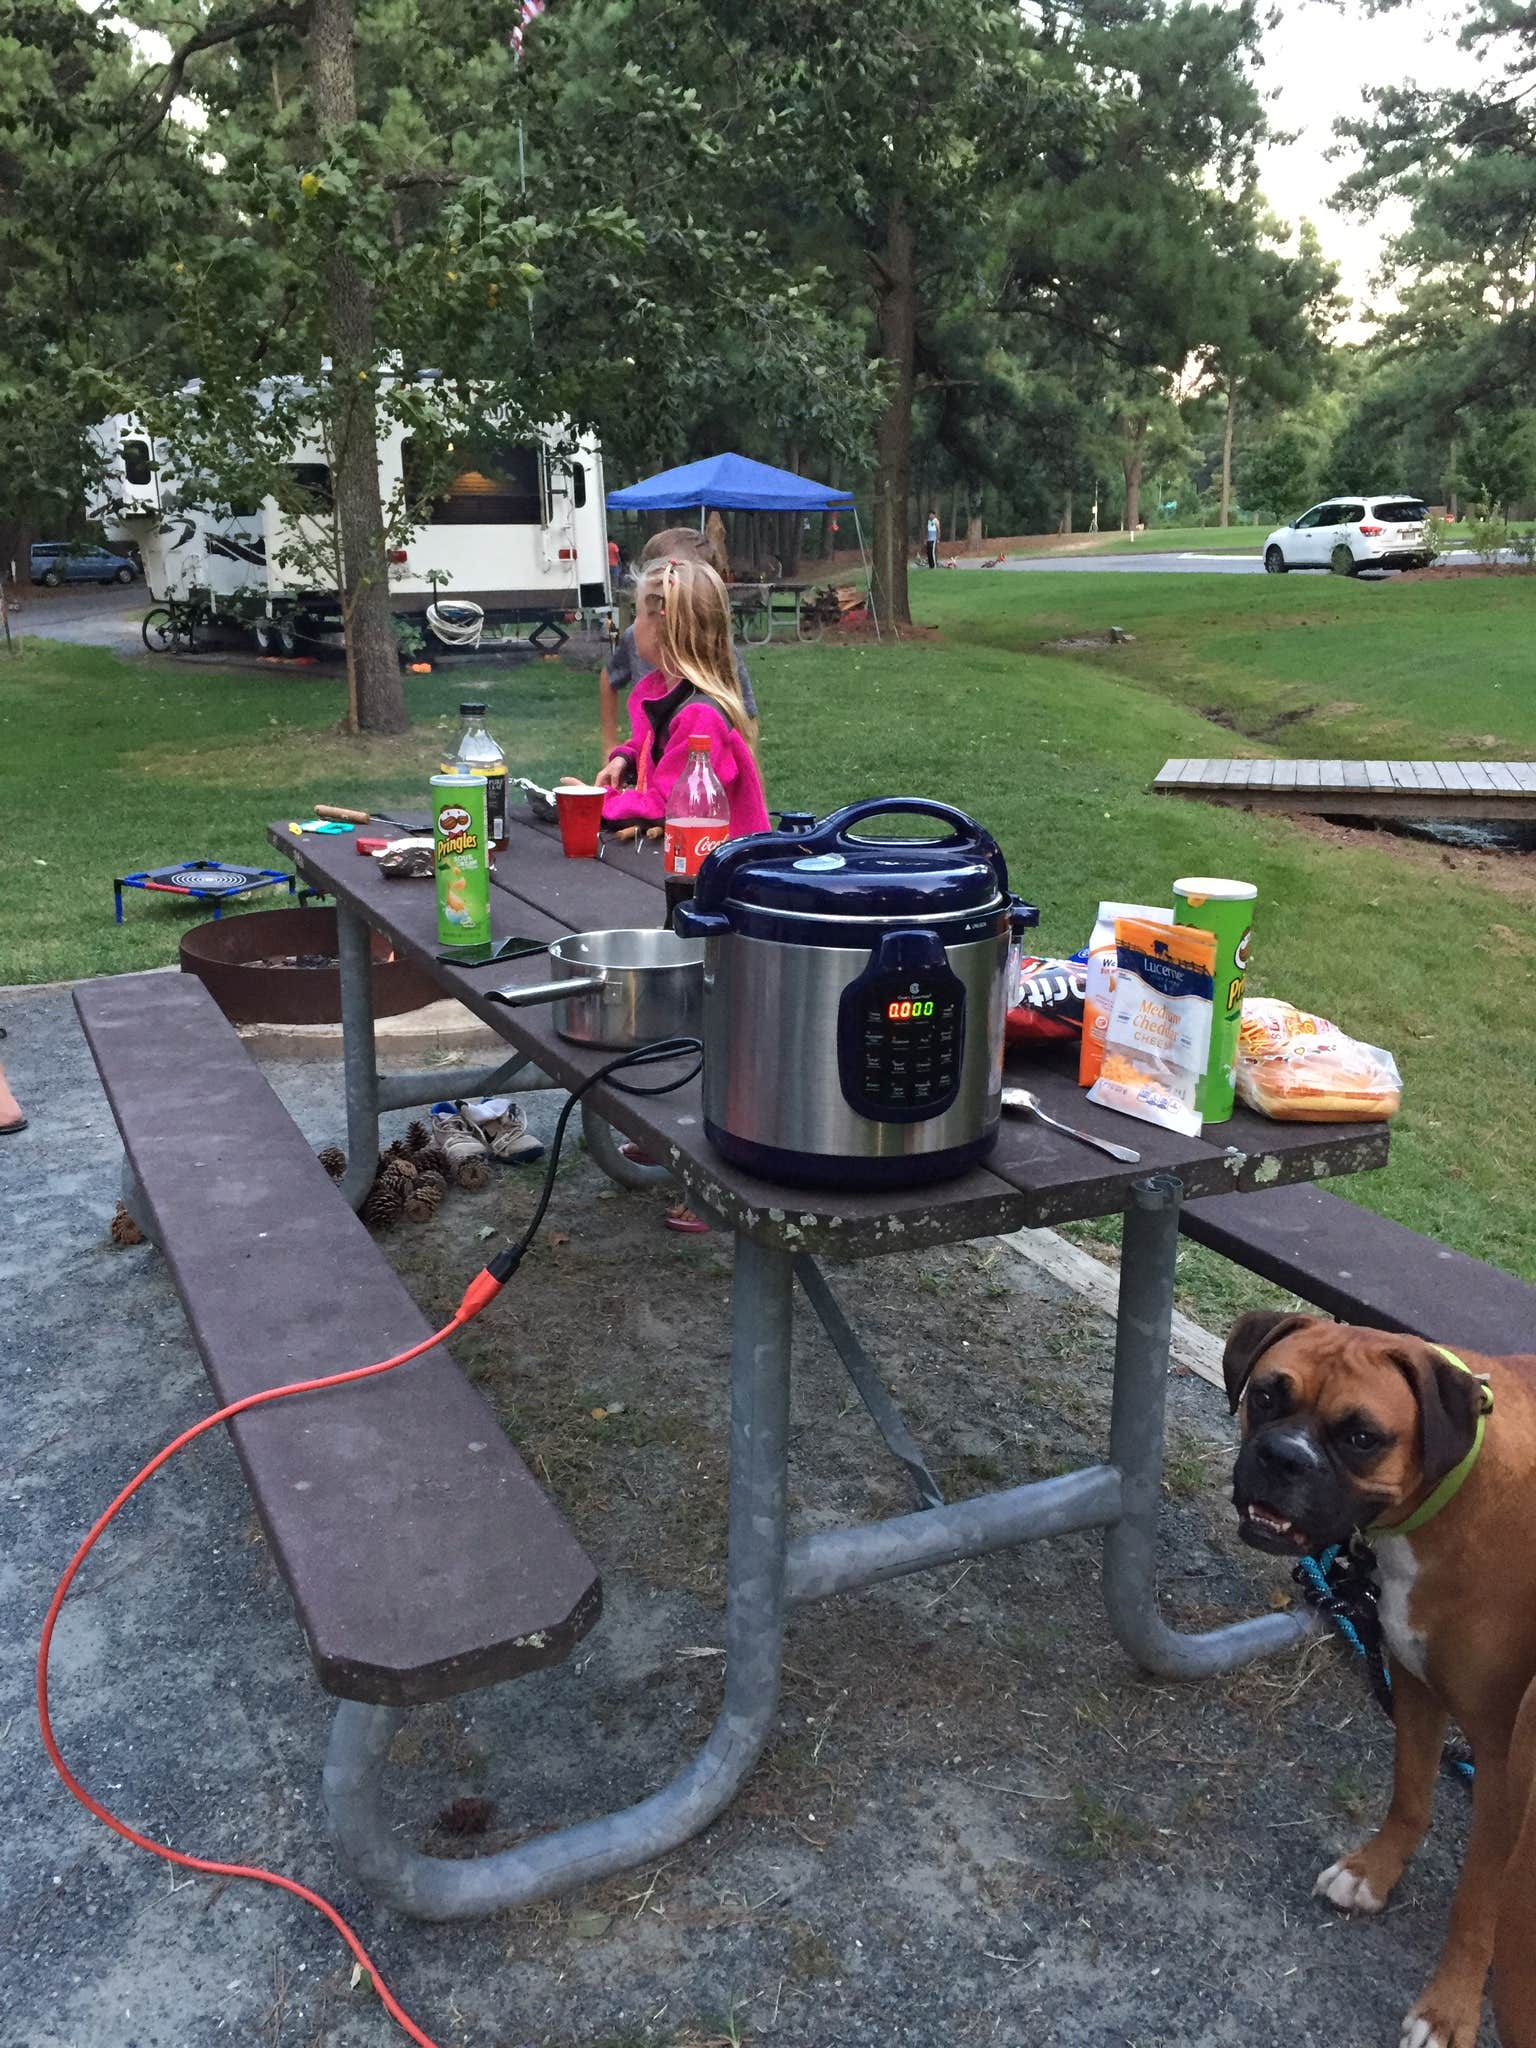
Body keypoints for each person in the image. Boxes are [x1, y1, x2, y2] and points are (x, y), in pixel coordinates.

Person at [596, 555, 769, 840]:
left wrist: (598, 802)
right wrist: (624, 759)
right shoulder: (663, 690)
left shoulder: (699, 715)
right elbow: (652, 746)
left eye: (636, 614)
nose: (632, 627)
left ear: (659, 629)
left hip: (720, 866)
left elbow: (669, 805)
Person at [598, 526, 756, 755]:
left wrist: (746, 765)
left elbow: (745, 717)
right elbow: (609, 677)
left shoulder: (716, 651)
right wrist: (613, 747)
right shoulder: (637, 637)